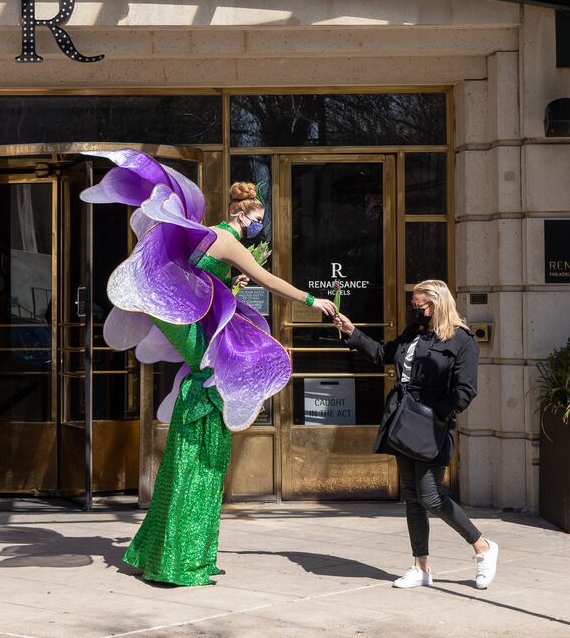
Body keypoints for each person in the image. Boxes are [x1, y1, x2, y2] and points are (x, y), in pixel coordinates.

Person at [80, 151, 335, 586]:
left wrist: (227, 287)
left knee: (206, 404)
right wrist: (314, 301)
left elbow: (200, 283)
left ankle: (173, 549)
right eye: (258, 217)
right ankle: (182, 559)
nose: (259, 224)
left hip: (190, 329)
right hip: (196, 349)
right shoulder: (229, 239)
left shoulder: (202, 236)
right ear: (244, 213)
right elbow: (270, 282)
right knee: (205, 427)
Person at [332, 279, 498, 590]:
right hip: (403, 420)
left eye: (419, 306)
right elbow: (383, 353)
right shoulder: (415, 334)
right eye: (414, 306)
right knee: (412, 497)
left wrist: (434, 414)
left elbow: (465, 391)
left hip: (431, 425)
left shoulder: (462, 341)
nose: (415, 311)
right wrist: (352, 332)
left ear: (437, 304)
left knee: (430, 495)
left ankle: (483, 547)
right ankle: (420, 566)